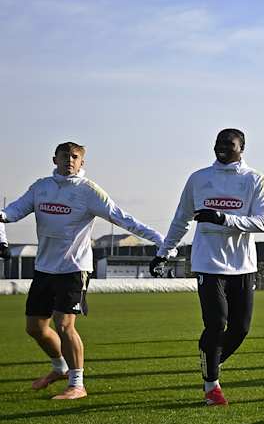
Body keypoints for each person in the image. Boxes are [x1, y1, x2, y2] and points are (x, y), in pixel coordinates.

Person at [3, 142, 163, 399]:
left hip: (74, 269)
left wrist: (159, 239)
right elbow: (14, 211)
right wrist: (3, 215)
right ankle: (60, 368)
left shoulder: (88, 191)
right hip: (44, 268)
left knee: (64, 324)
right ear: (54, 158)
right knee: (35, 328)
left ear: (82, 163)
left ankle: (77, 384)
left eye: (75, 157)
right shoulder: (40, 187)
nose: (70, 160)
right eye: (65, 156)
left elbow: (121, 217)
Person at [152, 129, 264, 406]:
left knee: (240, 328)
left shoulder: (255, 180)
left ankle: (210, 361)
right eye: (218, 143)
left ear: (242, 147)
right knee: (216, 323)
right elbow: (181, 219)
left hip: (243, 265)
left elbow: (263, 222)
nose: (222, 148)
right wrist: (164, 252)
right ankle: (212, 385)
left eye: (229, 144)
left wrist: (223, 218)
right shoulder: (199, 179)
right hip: (207, 263)